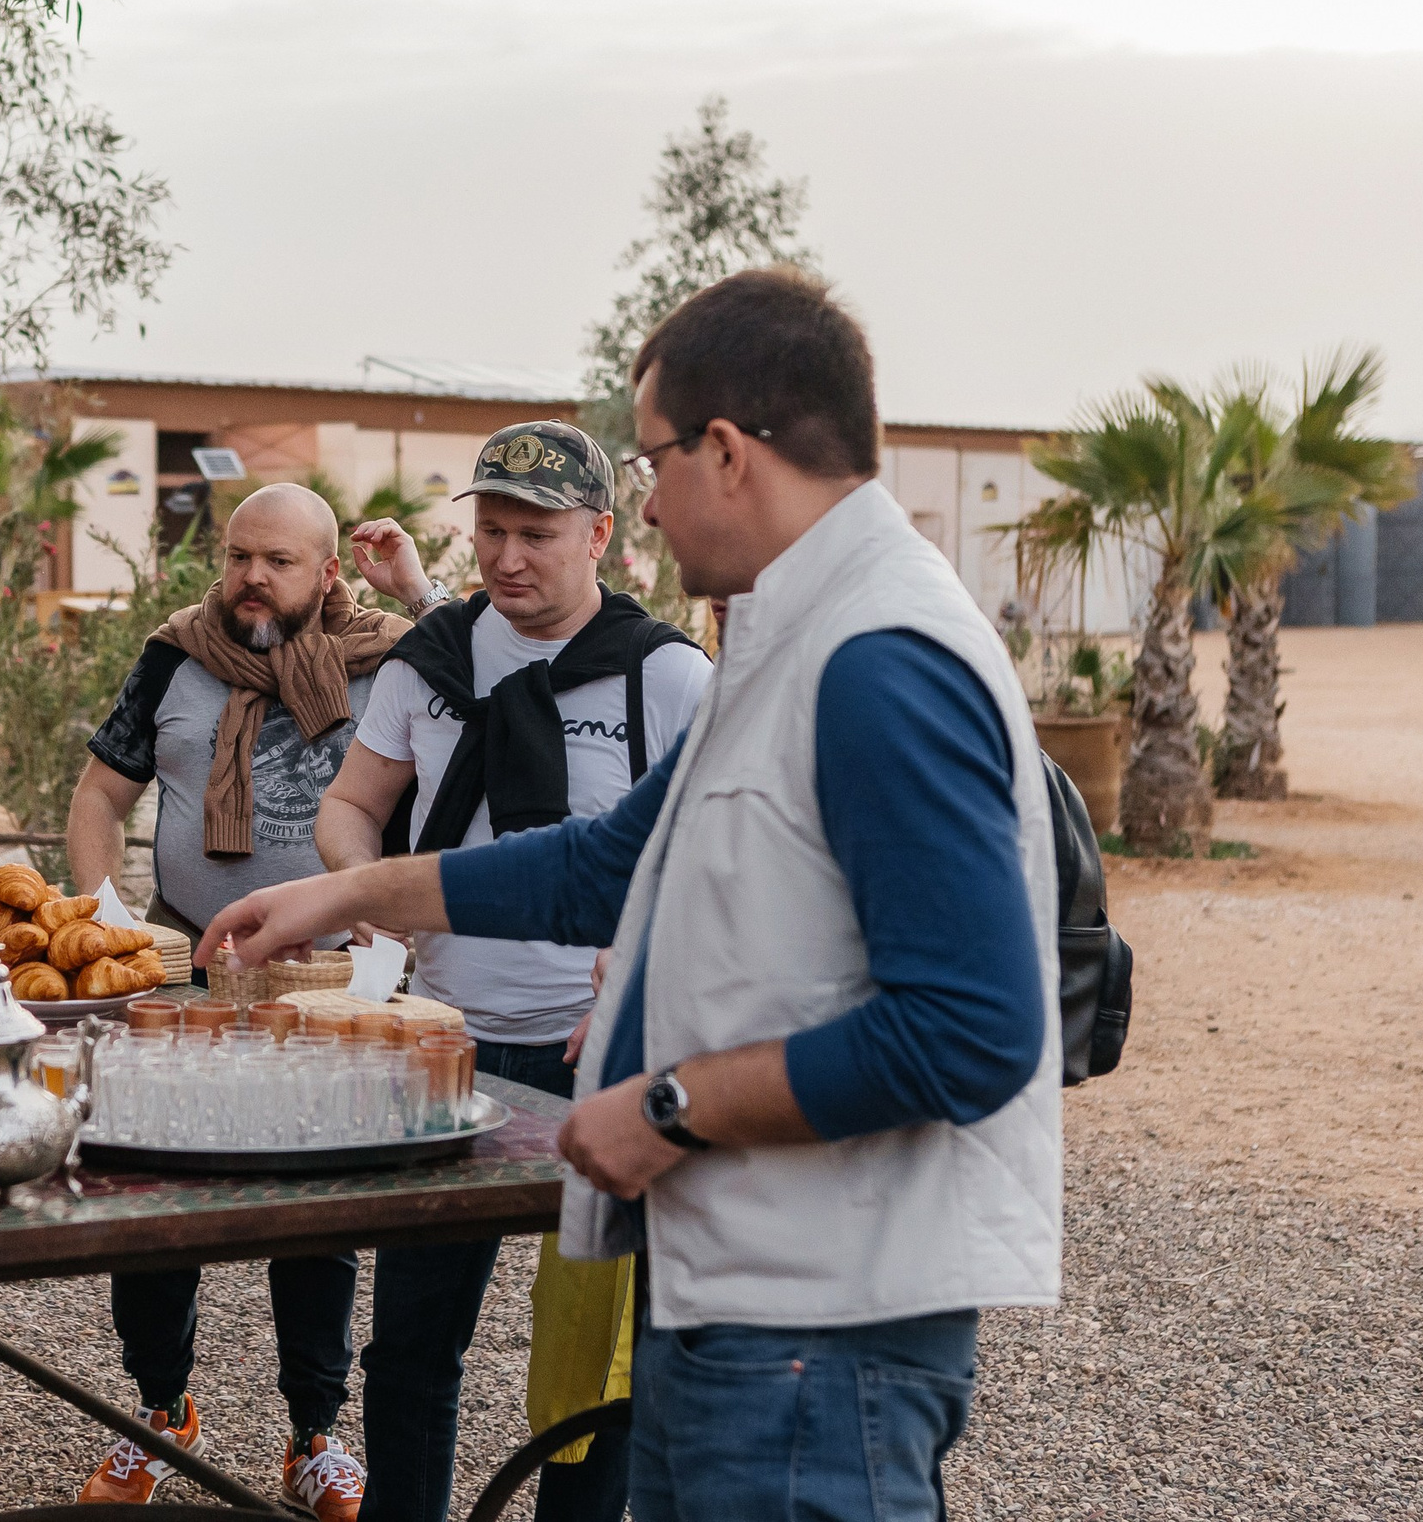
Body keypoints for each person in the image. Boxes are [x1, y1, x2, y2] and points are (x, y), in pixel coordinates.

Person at [201, 269, 1060, 1522]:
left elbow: (973, 1029)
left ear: (726, 451)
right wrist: (344, 896)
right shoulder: (784, 638)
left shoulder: (879, 662)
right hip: (734, 1299)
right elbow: (602, 860)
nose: (643, 504)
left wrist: (663, 1105)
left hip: (818, 1332)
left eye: (651, 462)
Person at [315, 421, 710, 1522]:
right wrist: (364, 897)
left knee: (591, 1359)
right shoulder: (428, 659)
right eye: (489, 531)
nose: (505, 559)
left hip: (597, 1056)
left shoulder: (670, 679)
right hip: (440, 1043)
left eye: (534, 533)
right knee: (410, 1342)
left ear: (599, 535)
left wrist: (644, 964)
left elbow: (712, 862)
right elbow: (353, 805)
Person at [66, 481, 446, 1518]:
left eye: (278, 561)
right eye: (239, 556)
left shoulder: (393, 664)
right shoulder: (173, 654)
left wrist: (380, 936)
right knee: (157, 1201)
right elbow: (101, 792)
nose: (250, 579)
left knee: (316, 1213)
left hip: (321, 975)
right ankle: (160, 1413)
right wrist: (109, 924)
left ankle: (315, 1436)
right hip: (183, 963)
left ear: (329, 574)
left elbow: (469, 721)